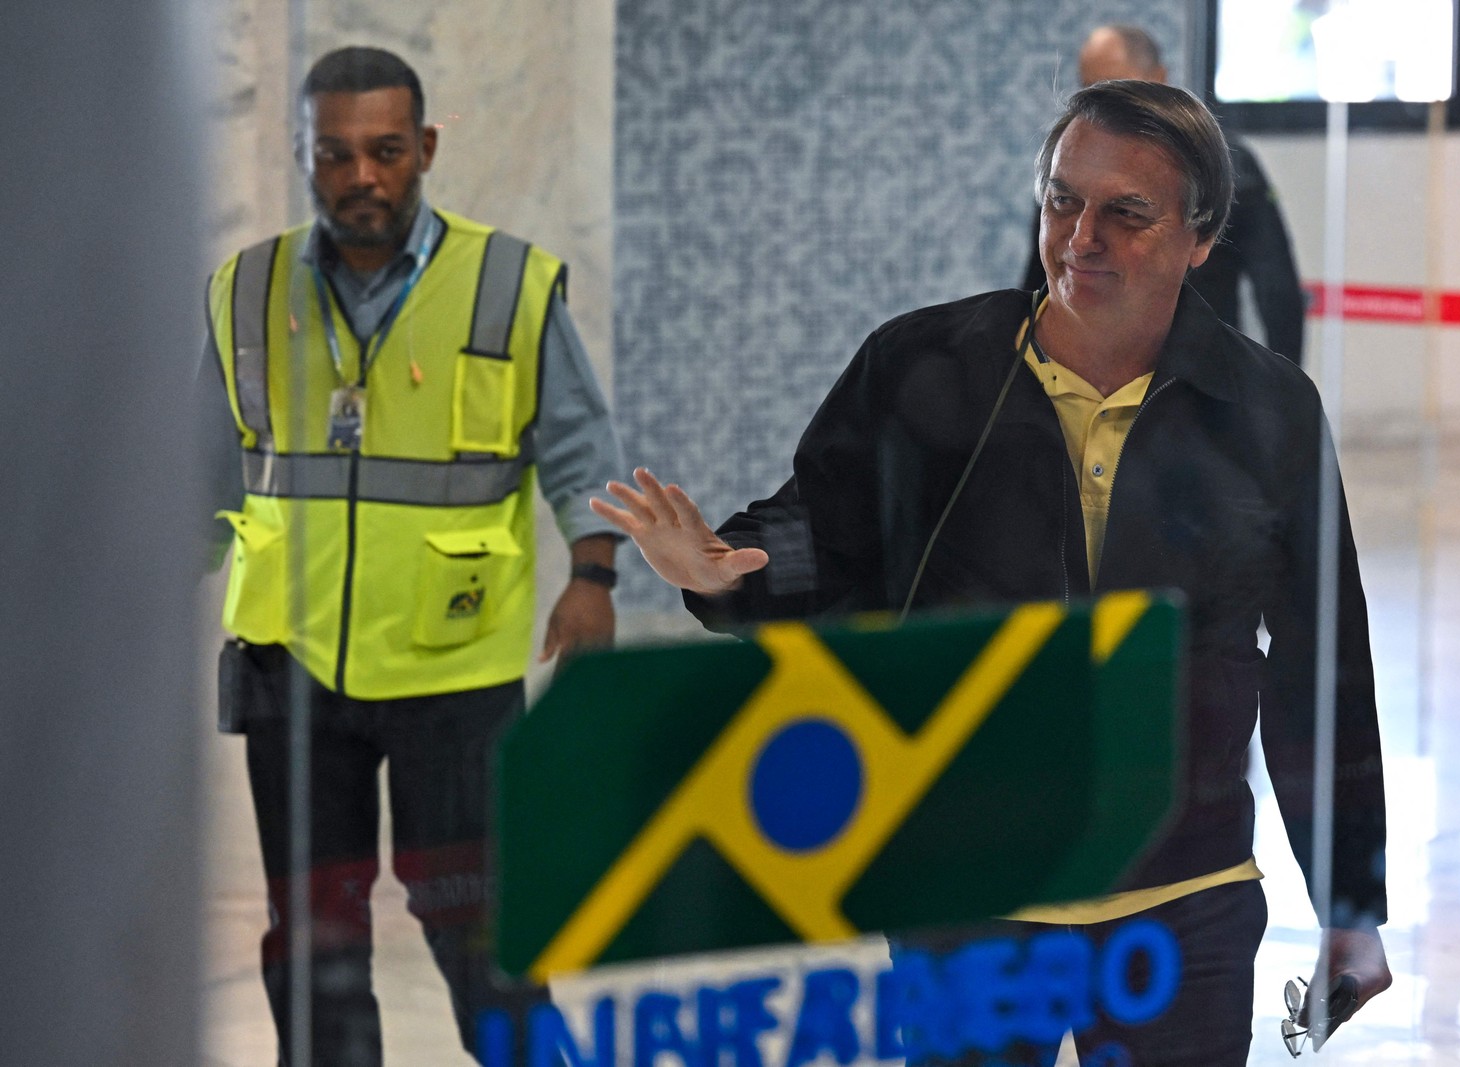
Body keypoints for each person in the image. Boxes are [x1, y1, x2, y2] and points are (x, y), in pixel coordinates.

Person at [594, 80, 1389, 1065]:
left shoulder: (1267, 411)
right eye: (1062, 199)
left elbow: (1321, 663)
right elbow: (822, 538)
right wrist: (721, 572)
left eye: (1124, 214)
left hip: (1181, 907)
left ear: (1199, 237)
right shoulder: (927, 366)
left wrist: (1349, 900)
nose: (1079, 235)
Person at [201, 46, 626, 1066]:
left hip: (456, 668)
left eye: (386, 151)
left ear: (425, 148)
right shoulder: (247, 289)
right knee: (312, 937)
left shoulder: (506, 284)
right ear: (306, 156)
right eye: (335, 154)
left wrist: (595, 573)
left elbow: (578, 446)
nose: (362, 177)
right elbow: (201, 469)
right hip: (292, 665)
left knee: (476, 931)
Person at [1022, 24, 1307, 366]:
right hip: (1082, 373)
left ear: (1160, 78)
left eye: (1127, 212)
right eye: (1092, 88)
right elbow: (1038, 281)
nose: (1084, 239)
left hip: (1199, 374)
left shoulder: (1227, 164)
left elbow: (1277, 290)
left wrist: (1281, 397)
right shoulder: (1068, 161)